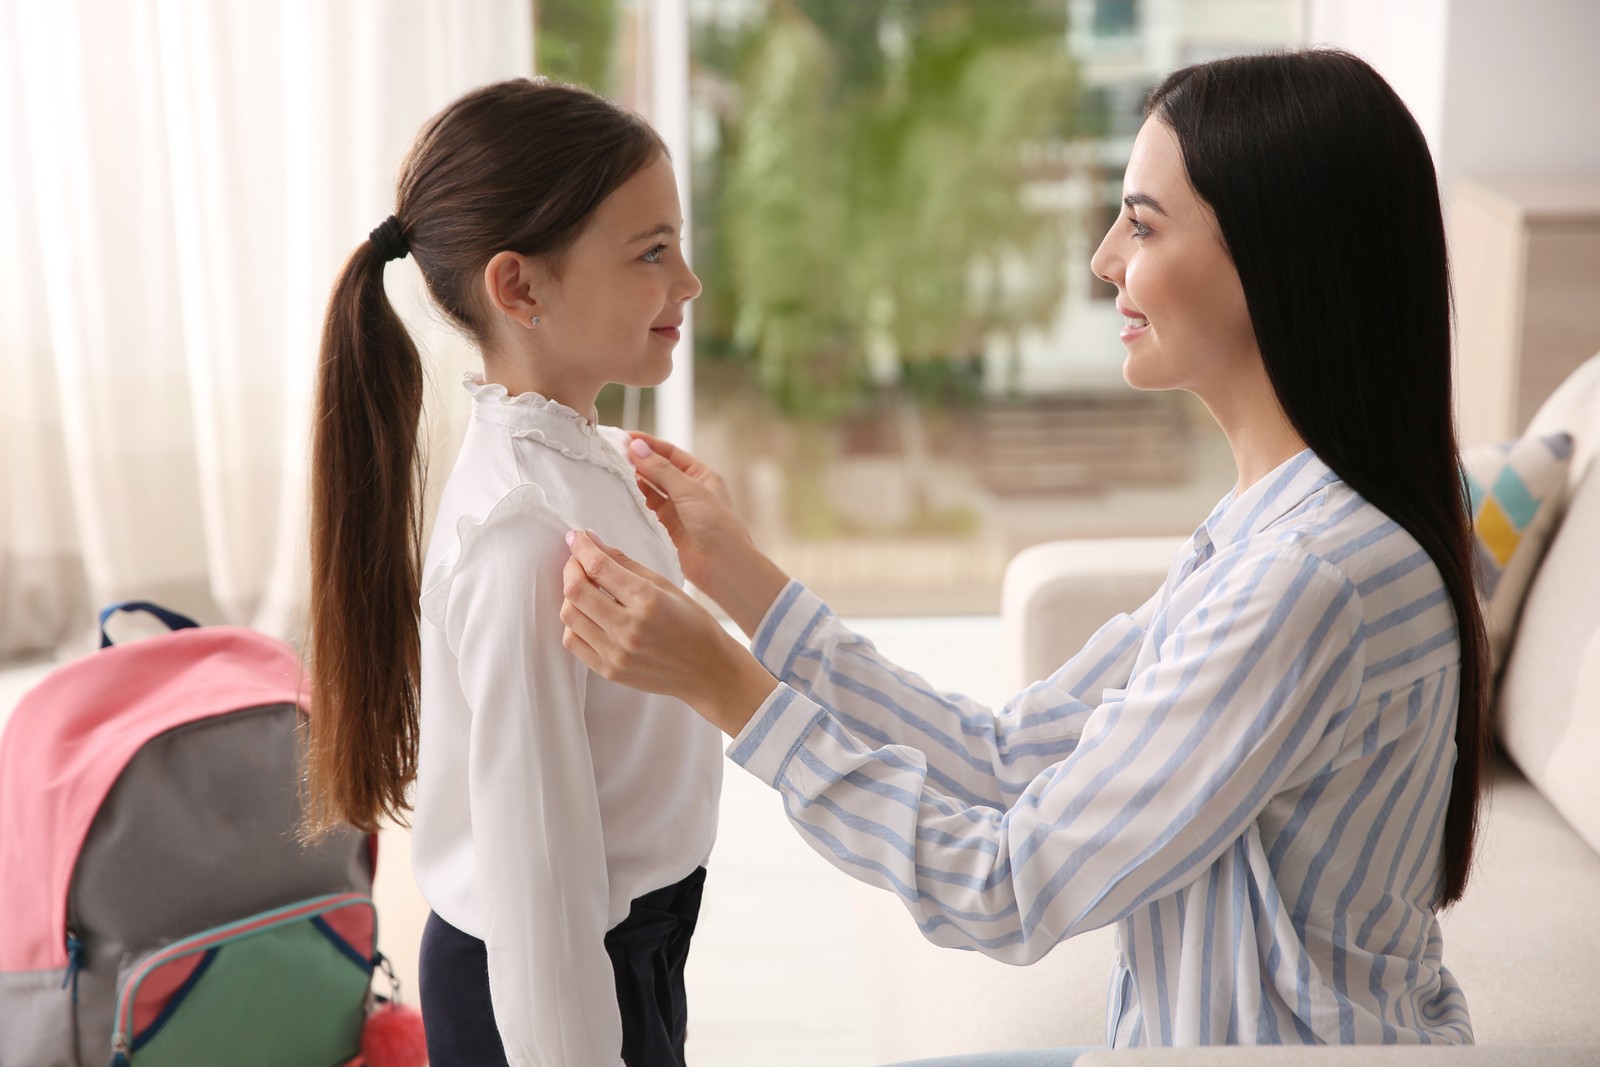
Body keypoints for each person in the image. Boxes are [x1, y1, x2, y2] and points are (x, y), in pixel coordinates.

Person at [558, 49, 1490, 1062]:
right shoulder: (1274, 528)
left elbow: (1007, 887)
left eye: (1140, 223)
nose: (1103, 259)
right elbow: (1006, 759)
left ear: (1279, 255)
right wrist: (741, 578)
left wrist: (730, 687)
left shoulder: (1305, 583)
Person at [302, 79, 720, 1067]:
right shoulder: (525, 538)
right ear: (520, 288)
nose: (689, 281)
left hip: (629, 944)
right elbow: (538, 873)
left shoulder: (596, 462)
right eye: (651, 253)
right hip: (549, 983)